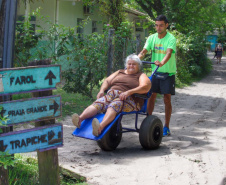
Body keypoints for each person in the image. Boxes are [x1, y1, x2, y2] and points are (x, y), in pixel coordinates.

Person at [72, 54, 151, 136]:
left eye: (134, 64)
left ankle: (100, 127)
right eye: (129, 64)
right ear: (126, 65)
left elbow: (145, 87)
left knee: (114, 105)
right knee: (99, 103)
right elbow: (107, 81)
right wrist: (101, 90)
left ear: (139, 66)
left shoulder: (140, 75)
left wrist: (129, 92)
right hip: (111, 95)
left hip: (128, 99)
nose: (131, 66)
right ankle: (79, 119)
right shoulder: (120, 72)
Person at [138, 15, 176, 137]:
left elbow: (169, 53)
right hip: (155, 72)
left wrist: (162, 62)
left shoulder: (171, 38)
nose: (158, 27)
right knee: (151, 96)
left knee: (166, 99)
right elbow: (144, 51)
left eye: (161, 25)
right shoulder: (152, 38)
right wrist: (137, 59)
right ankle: (148, 123)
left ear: (166, 25)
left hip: (167, 73)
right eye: (156, 25)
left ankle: (167, 127)